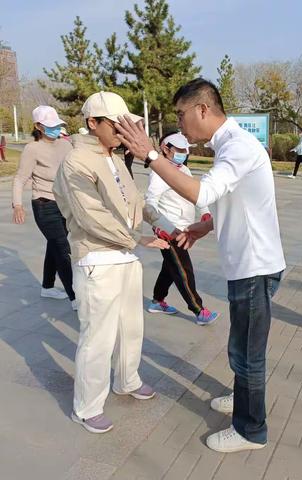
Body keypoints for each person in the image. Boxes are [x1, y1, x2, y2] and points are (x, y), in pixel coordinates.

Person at [116, 78, 286, 453]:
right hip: (246, 263)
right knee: (239, 344)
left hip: (255, 266)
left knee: (248, 352)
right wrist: (203, 226)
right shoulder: (230, 145)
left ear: (202, 109)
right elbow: (233, 200)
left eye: (181, 114)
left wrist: (150, 156)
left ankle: (250, 430)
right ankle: (242, 399)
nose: (179, 123)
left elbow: (201, 192)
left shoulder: (239, 147)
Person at [53, 91, 169, 434]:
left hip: (125, 257)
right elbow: (91, 217)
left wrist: (161, 222)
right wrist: (137, 239)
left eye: (126, 123)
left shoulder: (115, 158)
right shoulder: (76, 162)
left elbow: (134, 200)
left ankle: (128, 379)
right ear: (93, 123)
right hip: (97, 258)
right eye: (116, 124)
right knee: (98, 337)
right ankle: (86, 407)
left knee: (131, 326)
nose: (123, 130)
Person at [144, 131, 219, 325]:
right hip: (170, 230)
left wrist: (205, 212)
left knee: (171, 267)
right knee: (183, 270)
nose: (184, 153)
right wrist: (160, 226)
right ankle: (198, 309)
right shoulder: (159, 172)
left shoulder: (183, 169)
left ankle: (157, 301)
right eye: (179, 149)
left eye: (186, 150)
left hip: (185, 228)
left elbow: (195, 192)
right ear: (165, 149)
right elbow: (150, 202)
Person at [12, 106, 76, 308]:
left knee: (54, 244)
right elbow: (20, 179)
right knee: (62, 247)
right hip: (44, 204)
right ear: (38, 126)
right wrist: (17, 205)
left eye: (57, 125)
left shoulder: (66, 145)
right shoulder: (32, 149)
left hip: (65, 204)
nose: (55, 129)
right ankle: (75, 297)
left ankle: (47, 287)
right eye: (50, 126)